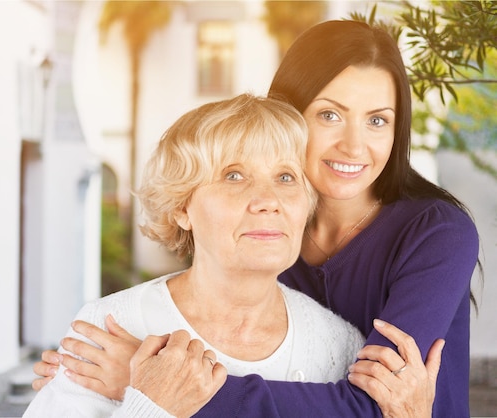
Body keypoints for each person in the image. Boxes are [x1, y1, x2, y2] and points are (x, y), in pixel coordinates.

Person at [34, 20, 479, 417]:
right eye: (329, 114)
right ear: (288, 117)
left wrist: (150, 381)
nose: (354, 146)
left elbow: (372, 407)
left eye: (378, 121)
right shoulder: (264, 240)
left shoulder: (436, 234)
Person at [23, 93, 368, 417]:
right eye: (234, 175)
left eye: (286, 177)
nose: (268, 200)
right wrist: (151, 405)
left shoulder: (341, 346)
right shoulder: (108, 329)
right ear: (181, 208)